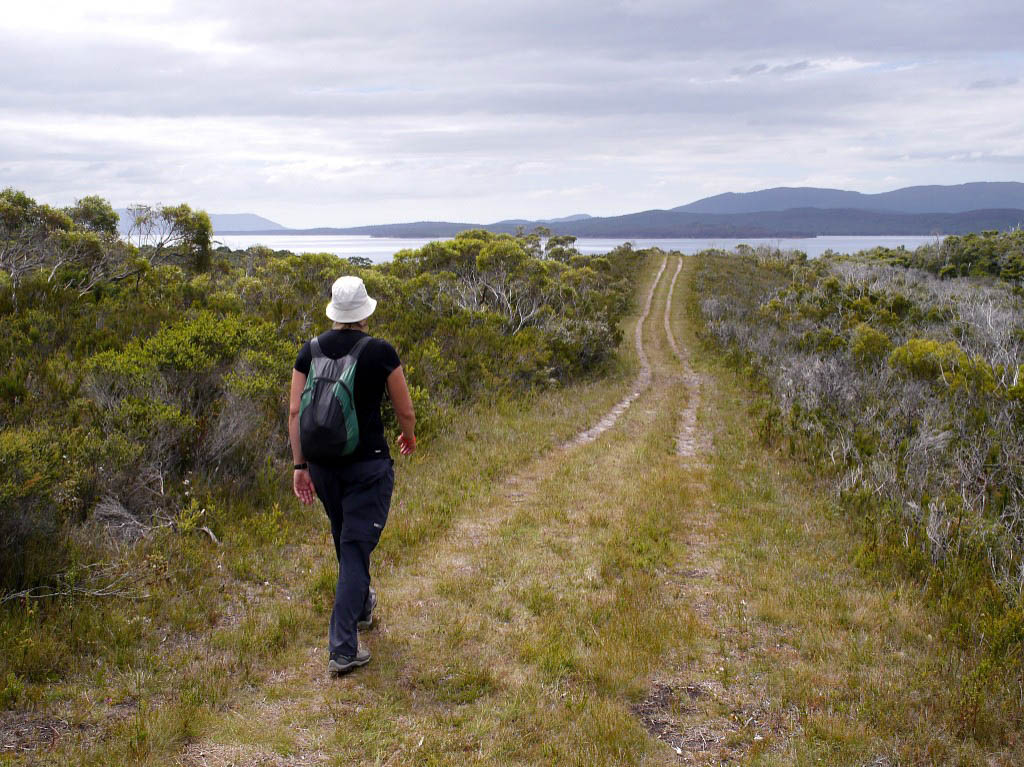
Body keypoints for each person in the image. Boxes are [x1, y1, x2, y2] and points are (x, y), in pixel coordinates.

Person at [288, 275, 416, 675]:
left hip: (324, 468)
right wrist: (408, 436)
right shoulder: (380, 352)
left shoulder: (309, 352)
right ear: (364, 312)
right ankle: (343, 649)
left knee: (349, 542)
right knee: (356, 548)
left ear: (334, 311)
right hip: (368, 468)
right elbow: (405, 409)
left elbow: (294, 413)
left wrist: (300, 466)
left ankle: (361, 609)